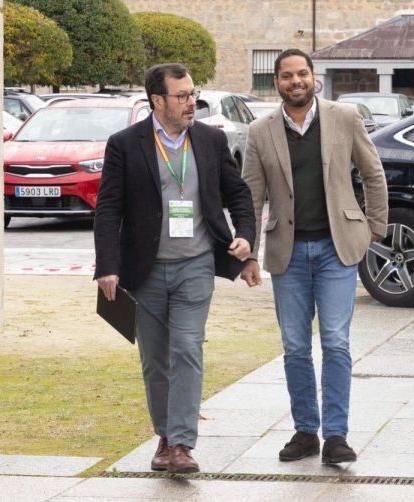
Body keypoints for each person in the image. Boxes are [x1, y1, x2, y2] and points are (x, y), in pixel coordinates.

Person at [93, 63, 255, 474]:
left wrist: (246, 237)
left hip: (196, 265)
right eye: (182, 97)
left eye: (193, 95)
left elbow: (239, 193)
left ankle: (182, 442)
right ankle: (164, 436)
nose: (191, 104)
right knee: (154, 359)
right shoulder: (125, 144)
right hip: (145, 270)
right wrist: (107, 266)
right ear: (157, 101)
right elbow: (109, 208)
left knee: (187, 348)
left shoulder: (211, 140)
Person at [240, 49, 388, 464]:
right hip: (287, 253)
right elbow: (250, 196)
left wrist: (375, 226)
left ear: (314, 78)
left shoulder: (344, 117)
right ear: (277, 82)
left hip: (336, 249)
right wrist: (248, 251)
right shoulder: (260, 131)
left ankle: (336, 436)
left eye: (302, 73)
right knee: (294, 346)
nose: (296, 81)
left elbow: (373, 173)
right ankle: (305, 431)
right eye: (287, 75)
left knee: (336, 343)